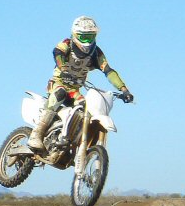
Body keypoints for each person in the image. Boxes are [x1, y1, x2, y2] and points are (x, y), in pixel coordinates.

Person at [27, 16, 134, 153]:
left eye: (90, 37)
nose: (87, 41)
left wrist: (124, 90)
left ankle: (70, 140)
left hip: (74, 90)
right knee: (59, 93)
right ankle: (37, 133)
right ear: (75, 35)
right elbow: (57, 53)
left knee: (85, 108)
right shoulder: (67, 43)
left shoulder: (96, 53)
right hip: (58, 83)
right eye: (84, 37)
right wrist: (64, 69)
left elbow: (108, 70)